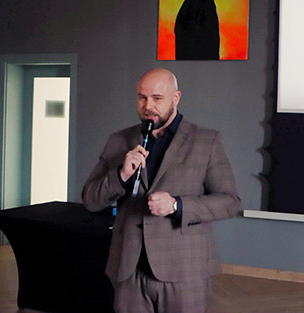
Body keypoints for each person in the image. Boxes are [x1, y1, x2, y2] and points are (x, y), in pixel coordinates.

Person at [82, 68, 241, 313]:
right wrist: (121, 175)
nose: (148, 106)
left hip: (184, 271)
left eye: (157, 98)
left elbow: (230, 202)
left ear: (176, 98)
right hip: (128, 270)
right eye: (142, 97)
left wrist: (177, 205)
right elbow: (91, 200)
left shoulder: (206, 141)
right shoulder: (118, 140)